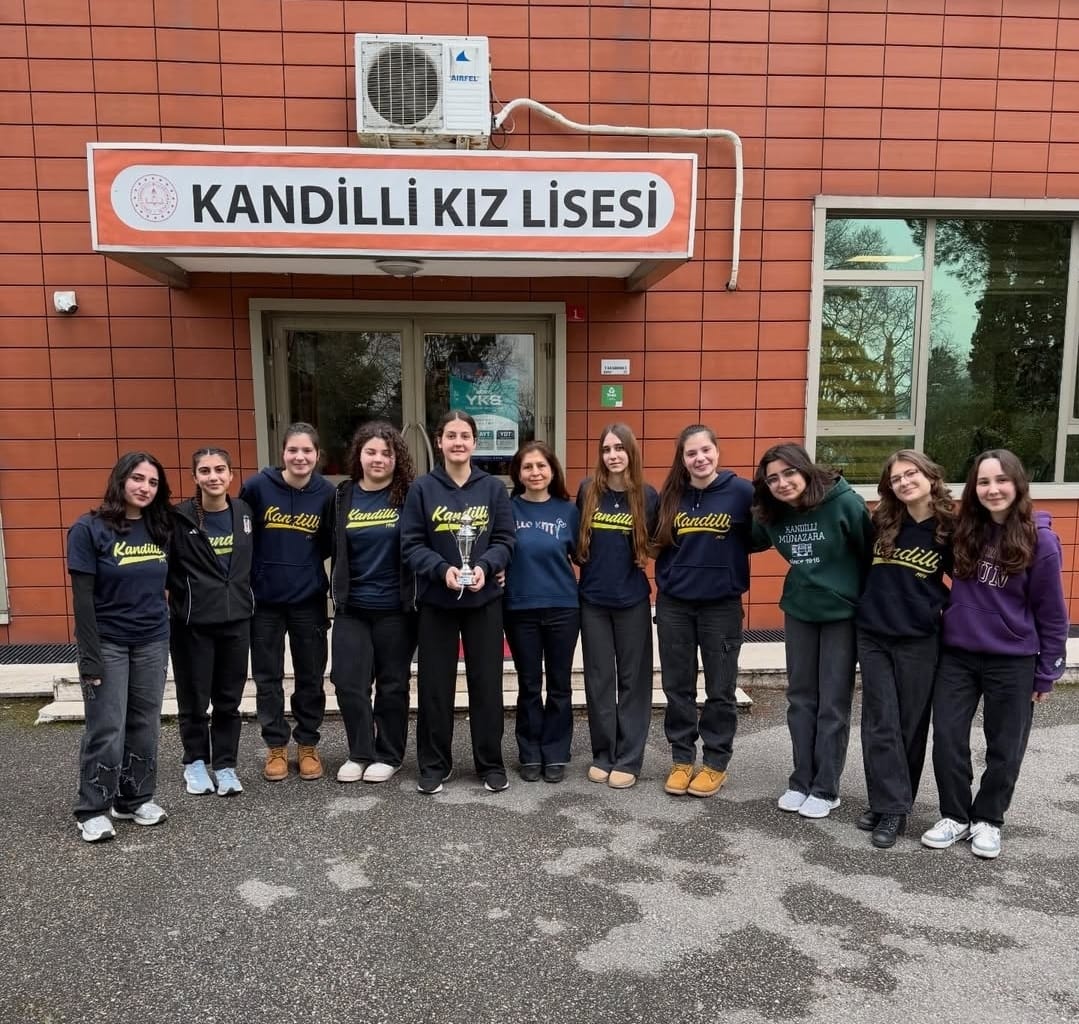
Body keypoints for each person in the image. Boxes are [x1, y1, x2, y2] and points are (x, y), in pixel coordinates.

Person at [921, 449, 1067, 860]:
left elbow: (1053, 613)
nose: (993, 489)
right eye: (984, 482)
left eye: (1001, 480)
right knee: (947, 737)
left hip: (1013, 659)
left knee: (1005, 745)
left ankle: (988, 819)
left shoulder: (1041, 541)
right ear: (974, 488)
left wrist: (1047, 671)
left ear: (1017, 484)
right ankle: (955, 816)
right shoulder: (963, 532)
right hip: (958, 655)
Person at [751, 442, 873, 819]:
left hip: (842, 612)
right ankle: (801, 780)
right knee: (801, 698)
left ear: (805, 470)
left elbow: (870, 556)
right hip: (800, 610)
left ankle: (826, 787)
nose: (782, 483)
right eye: (773, 478)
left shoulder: (845, 503)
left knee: (832, 701)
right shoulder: (774, 511)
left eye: (789, 473)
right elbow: (746, 538)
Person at [400, 410, 516, 795]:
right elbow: (411, 544)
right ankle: (435, 764)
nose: (458, 442)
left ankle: (490, 763)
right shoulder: (422, 489)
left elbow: (505, 540)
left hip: (484, 601)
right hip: (437, 601)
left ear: (474, 442)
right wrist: (440, 569)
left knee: (487, 685)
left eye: (465, 436)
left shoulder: (493, 488)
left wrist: (486, 566)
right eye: (451, 435)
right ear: (439, 441)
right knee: (435, 686)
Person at [66, 452, 172, 842]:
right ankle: (93, 808)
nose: (145, 487)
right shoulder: (88, 529)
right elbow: (82, 600)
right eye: (138, 479)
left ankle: (133, 799)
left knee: (145, 725)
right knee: (108, 727)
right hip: (108, 643)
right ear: (120, 480)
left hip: (152, 641)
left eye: (153, 482)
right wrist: (89, 657)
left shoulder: (160, 528)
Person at [855, 450, 955, 848]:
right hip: (874, 633)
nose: (904, 482)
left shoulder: (950, 527)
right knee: (879, 720)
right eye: (896, 478)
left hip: (919, 637)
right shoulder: (882, 521)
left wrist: (939, 608)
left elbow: (966, 582)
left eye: (910, 473)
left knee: (910, 725)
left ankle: (895, 805)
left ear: (930, 476)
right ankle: (887, 804)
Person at [653, 425, 753, 798]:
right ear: (682, 459)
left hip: (721, 606)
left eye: (705, 450)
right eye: (691, 453)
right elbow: (657, 542)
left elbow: (760, 536)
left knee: (720, 689)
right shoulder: (671, 495)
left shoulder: (741, 492)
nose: (700, 458)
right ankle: (682, 759)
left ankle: (714, 763)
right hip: (675, 604)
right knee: (677, 687)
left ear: (717, 451)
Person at [240, 423, 334, 783]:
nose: (300, 457)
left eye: (307, 451)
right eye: (293, 450)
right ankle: (276, 746)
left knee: (311, 677)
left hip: (308, 599)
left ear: (317, 455)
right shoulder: (257, 488)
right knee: (268, 677)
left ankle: (307, 744)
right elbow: (243, 536)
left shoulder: (327, 494)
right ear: (282, 453)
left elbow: (328, 543)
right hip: (264, 600)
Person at [329, 421, 417, 784]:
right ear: (359, 455)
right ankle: (359, 752)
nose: (378, 459)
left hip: (396, 609)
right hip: (352, 608)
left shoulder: (409, 495)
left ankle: (388, 755)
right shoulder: (343, 495)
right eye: (371, 452)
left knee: (393, 685)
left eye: (386, 453)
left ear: (397, 458)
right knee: (349, 683)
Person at [167, 447, 254, 798]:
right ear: (195, 477)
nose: (213, 477)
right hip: (193, 624)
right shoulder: (178, 518)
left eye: (220, 470)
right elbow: (164, 568)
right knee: (194, 701)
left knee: (228, 701)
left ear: (231, 475)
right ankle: (195, 762)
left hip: (236, 621)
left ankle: (226, 765)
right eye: (205, 471)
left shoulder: (244, 512)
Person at [576, 423, 658, 790]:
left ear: (631, 452)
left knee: (633, 681)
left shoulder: (647, 496)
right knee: (599, 680)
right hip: (593, 601)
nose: (613, 455)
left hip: (632, 601)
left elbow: (658, 543)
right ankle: (603, 754)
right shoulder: (587, 491)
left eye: (619, 448)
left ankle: (629, 757)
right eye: (607, 449)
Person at [503, 440, 580, 783]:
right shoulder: (507, 510)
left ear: (552, 470)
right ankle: (530, 751)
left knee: (560, 685)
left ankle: (556, 751)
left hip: (563, 607)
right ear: (518, 474)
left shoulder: (568, 511)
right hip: (520, 608)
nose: (535, 472)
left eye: (541, 466)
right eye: (527, 467)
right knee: (529, 684)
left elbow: (583, 555)